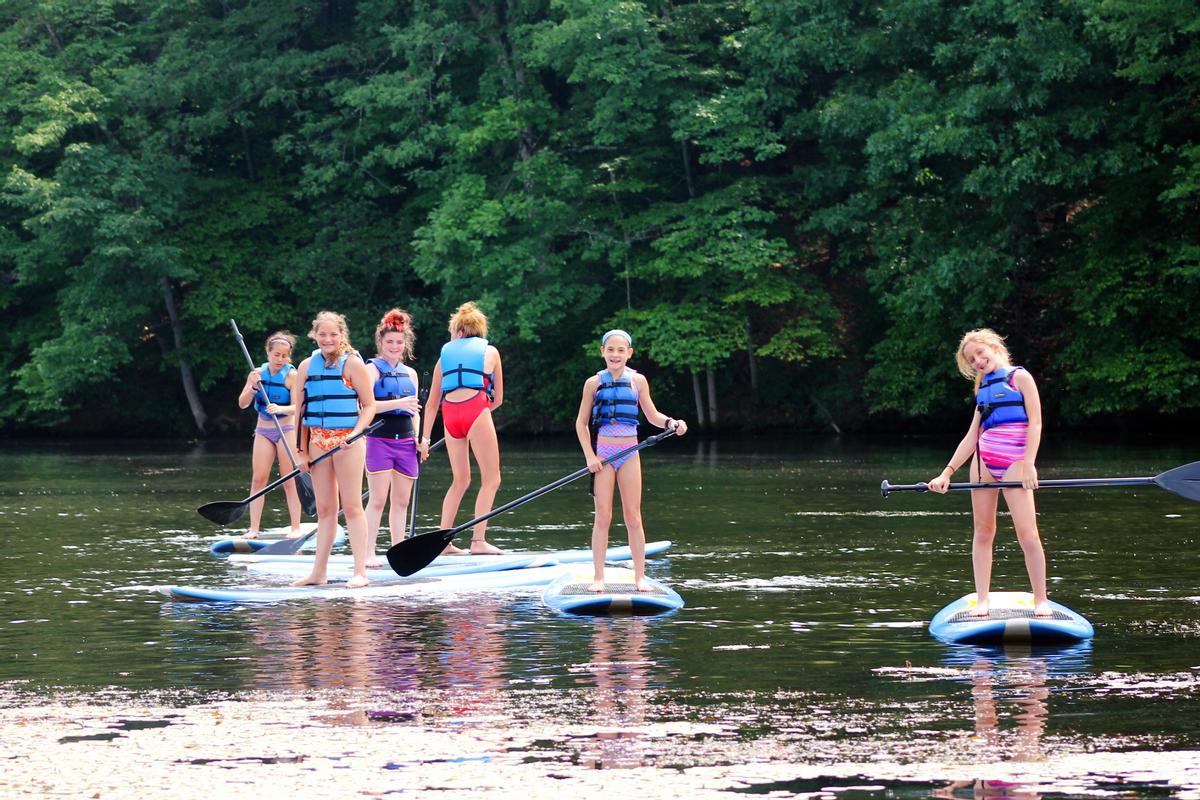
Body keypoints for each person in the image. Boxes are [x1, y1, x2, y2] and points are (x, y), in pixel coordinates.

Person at [927, 328, 1051, 617]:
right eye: (971, 360)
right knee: (983, 532)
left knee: (1027, 533)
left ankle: (1041, 600)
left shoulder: (1020, 377)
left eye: (980, 353)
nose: (977, 361)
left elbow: (1035, 423)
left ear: (994, 348)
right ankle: (982, 599)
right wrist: (946, 473)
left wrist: (1030, 464)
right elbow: (972, 436)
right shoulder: (982, 387)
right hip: (983, 464)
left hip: (1015, 462)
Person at [574, 329, 686, 592]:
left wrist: (671, 423)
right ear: (602, 352)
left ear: (629, 353)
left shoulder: (639, 381)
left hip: (629, 452)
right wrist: (590, 456)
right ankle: (599, 577)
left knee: (633, 517)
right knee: (602, 517)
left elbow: (652, 415)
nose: (615, 355)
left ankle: (639, 577)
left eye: (620, 350)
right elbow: (580, 424)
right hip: (603, 454)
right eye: (610, 350)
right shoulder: (593, 383)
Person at [290, 311, 376, 588]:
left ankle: (360, 571)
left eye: (333, 334)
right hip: (316, 442)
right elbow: (300, 412)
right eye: (322, 334)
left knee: (352, 506)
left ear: (342, 335)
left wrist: (355, 433)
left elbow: (369, 406)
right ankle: (318, 573)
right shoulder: (305, 366)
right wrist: (300, 451)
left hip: (348, 443)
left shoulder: (353, 365)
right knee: (326, 509)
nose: (328, 339)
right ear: (314, 335)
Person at [419, 301, 505, 555]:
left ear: (457, 330)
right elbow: (498, 398)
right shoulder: (491, 352)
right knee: (492, 478)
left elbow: (431, 404)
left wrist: (424, 439)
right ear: (480, 330)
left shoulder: (442, 358)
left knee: (460, 480)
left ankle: (443, 542)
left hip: (449, 415)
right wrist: (480, 413)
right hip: (476, 409)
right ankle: (478, 542)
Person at [363, 309, 422, 566]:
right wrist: (397, 402)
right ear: (381, 343)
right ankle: (367, 553)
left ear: (405, 343)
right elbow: (364, 407)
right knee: (377, 500)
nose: (395, 346)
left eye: (399, 342)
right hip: (379, 441)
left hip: (407, 442)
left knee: (401, 501)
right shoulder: (371, 369)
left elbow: (414, 412)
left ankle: (399, 550)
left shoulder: (411, 374)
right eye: (390, 342)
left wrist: (420, 438)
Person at [236, 331, 302, 539]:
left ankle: (295, 527)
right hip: (264, 430)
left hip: (286, 430)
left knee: (288, 479)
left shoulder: (292, 376)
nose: (280, 360)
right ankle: (254, 528)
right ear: (268, 353)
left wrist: (281, 409)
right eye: (276, 355)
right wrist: (254, 387)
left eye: (284, 356)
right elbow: (242, 403)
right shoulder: (256, 373)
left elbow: (298, 407)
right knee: (259, 479)